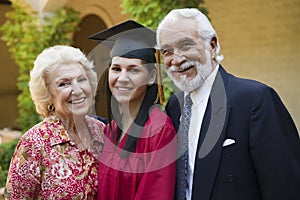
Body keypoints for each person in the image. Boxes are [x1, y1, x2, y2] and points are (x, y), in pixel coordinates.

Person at [156, 8, 300, 200]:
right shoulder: (175, 106)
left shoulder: (255, 100)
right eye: (167, 51)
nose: (176, 59)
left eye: (186, 45)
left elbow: (285, 189)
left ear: (212, 46)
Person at [89, 20, 177, 200]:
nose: (122, 78)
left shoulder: (159, 131)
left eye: (133, 70)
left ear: (152, 76)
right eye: (116, 69)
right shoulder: (111, 130)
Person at [4, 45, 105, 199]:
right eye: (64, 83)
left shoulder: (100, 131)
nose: (77, 90)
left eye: (82, 79)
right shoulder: (34, 144)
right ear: (47, 94)